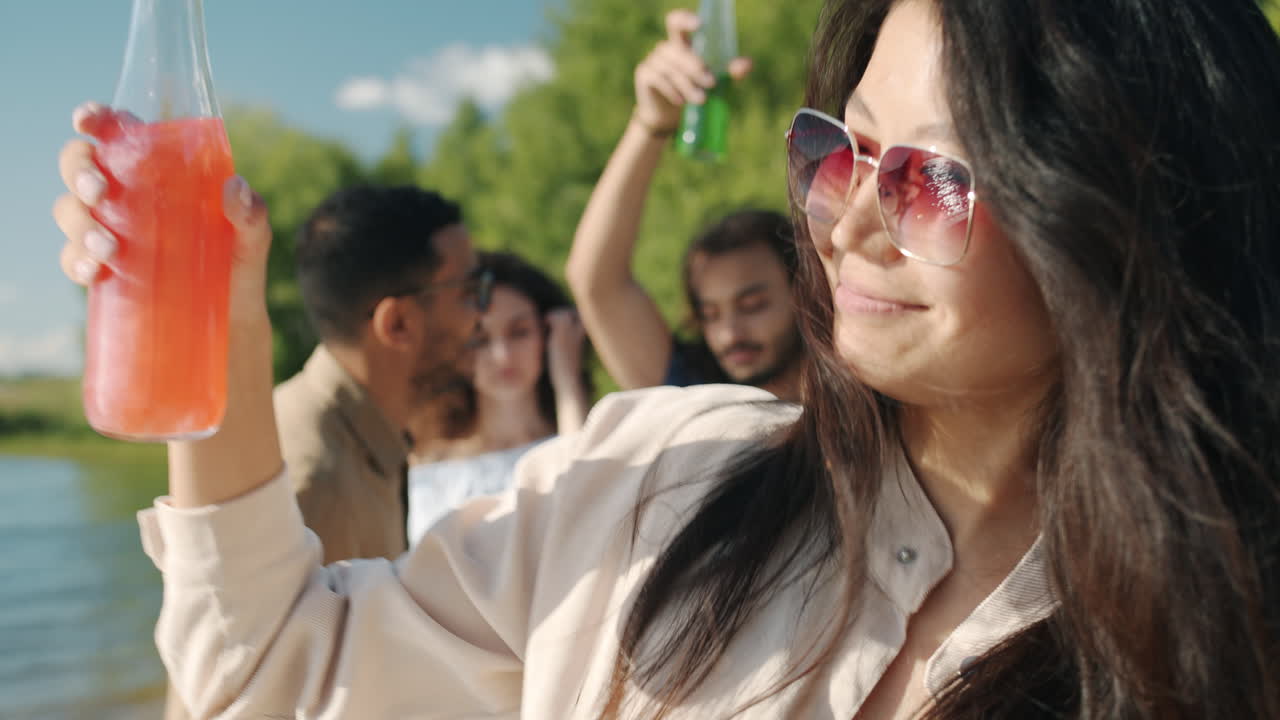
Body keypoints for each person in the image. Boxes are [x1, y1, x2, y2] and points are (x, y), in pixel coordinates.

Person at [52, 0, 1280, 717]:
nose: (846, 221)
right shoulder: (652, 486)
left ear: (1128, 225)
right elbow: (270, 673)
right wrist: (218, 319)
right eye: (840, 151)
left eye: (930, 178)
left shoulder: (1214, 649)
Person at [565, 45, 803, 402]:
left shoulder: (862, 389)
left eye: (753, 304)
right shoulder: (692, 392)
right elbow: (595, 281)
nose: (729, 334)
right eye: (709, 314)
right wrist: (651, 123)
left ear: (806, 294)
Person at [405, 250, 593, 544]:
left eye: (519, 333)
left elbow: (589, 510)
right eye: (480, 339)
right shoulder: (425, 458)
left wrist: (567, 379)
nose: (502, 356)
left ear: (547, 335)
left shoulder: (579, 435)